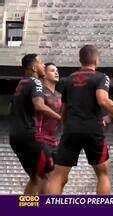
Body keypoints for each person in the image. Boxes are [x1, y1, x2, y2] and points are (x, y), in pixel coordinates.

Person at [46, 45, 113, 195]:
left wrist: (67, 126)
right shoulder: (101, 77)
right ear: (96, 60)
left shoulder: (68, 80)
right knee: (102, 175)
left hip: (71, 130)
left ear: (80, 60)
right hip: (92, 129)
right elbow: (103, 100)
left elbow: (63, 108)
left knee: (58, 176)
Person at [9, 54, 61, 194]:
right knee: (47, 174)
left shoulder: (21, 84)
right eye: (41, 62)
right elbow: (39, 105)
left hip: (15, 136)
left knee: (36, 178)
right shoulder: (35, 82)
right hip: (30, 135)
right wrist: (59, 117)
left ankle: (26, 208)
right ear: (33, 67)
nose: (43, 65)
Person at [34, 63, 63, 194]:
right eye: (52, 70)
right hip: (40, 138)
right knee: (41, 177)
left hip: (55, 139)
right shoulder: (39, 92)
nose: (56, 73)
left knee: (53, 177)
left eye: (57, 71)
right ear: (44, 74)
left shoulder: (60, 95)